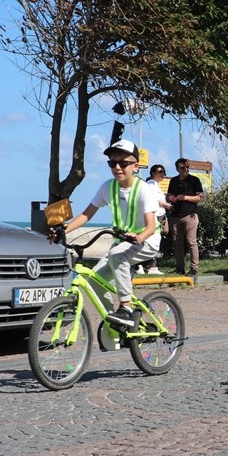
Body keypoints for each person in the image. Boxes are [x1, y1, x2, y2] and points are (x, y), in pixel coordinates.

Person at [54, 140, 159, 327]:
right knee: (95, 281)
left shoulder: (144, 189)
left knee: (117, 255)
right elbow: (86, 214)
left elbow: (150, 227)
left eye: (123, 163)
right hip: (122, 243)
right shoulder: (107, 187)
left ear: (136, 166)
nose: (117, 167)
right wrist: (63, 230)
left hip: (147, 241)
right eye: (112, 163)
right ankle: (116, 324)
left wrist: (139, 237)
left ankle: (125, 308)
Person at [166, 158, 204, 277]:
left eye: (187, 167)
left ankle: (194, 268)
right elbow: (168, 195)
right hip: (175, 215)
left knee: (191, 242)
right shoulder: (173, 181)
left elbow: (200, 197)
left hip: (190, 215)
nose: (186, 170)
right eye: (183, 167)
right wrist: (170, 197)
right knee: (177, 243)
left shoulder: (194, 180)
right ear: (177, 169)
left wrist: (186, 198)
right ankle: (179, 267)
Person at [138, 164, 169, 275]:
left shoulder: (155, 185)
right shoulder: (151, 184)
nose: (161, 174)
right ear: (152, 173)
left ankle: (147, 266)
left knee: (153, 242)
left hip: (158, 215)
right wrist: (165, 204)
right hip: (154, 216)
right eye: (159, 171)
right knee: (151, 242)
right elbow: (151, 199)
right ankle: (148, 266)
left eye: (163, 172)